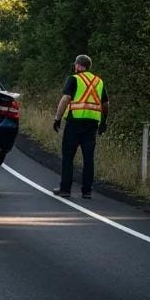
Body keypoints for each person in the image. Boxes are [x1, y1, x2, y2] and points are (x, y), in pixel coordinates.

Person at [52, 54, 107, 199]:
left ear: (77, 65)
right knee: (88, 158)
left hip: (74, 123)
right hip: (92, 124)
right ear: (89, 67)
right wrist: (104, 121)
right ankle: (87, 191)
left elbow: (66, 99)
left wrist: (57, 118)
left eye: (75, 64)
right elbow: (106, 103)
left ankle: (65, 189)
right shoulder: (99, 81)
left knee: (68, 156)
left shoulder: (74, 79)